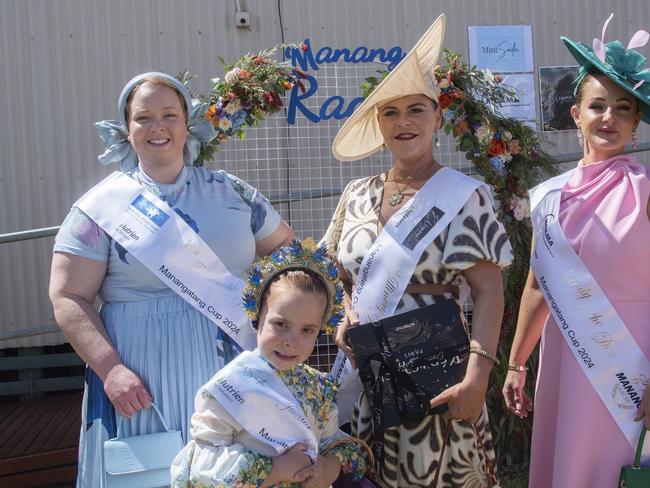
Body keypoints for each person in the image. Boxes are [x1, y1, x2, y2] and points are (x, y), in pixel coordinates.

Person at [48, 72, 294, 487]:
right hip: (142, 376)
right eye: (143, 117)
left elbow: (290, 260)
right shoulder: (98, 209)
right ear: (126, 130)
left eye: (170, 115)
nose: (157, 127)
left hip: (232, 370)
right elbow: (69, 296)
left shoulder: (234, 193)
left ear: (188, 123)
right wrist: (111, 370)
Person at [323, 14, 512, 487]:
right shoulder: (355, 194)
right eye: (390, 112)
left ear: (437, 117)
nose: (403, 122)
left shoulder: (463, 195)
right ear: (378, 124)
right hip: (372, 371)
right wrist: (347, 314)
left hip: (438, 369)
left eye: (416, 110)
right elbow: (342, 277)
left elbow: (490, 292)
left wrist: (478, 377)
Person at [502, 15, 650, 488]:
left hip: (631, 369)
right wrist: (516, 362)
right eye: (598, 105)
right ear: (576, 114)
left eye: (623, 108)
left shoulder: (646, 191)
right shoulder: (547, 196)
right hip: (567, 358)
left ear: (636, 121)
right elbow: (536, 287)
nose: (609, 118)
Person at [170, 238, 368, 488]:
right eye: (281, 324)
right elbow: (202, 465)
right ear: (257, 316)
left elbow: (334, 443)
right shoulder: (230, 387)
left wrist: (327, 469)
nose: (291, 341)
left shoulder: (318, 388)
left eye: (307, 330)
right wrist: (276, 469)